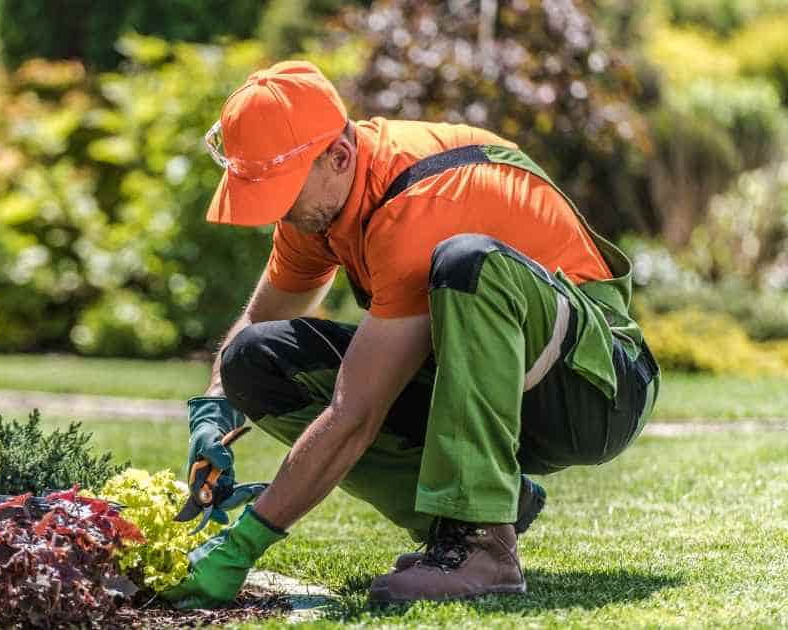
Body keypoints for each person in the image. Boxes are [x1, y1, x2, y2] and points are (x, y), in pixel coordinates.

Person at [160, 60, 660, 607]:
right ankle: (483, 513)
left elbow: (356, 413)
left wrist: (245, 543)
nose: (273, 215)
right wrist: (213, 410)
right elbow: (256, 325)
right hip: (499, 385)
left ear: (339, 156)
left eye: (280, 194)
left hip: (595, 390)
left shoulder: (419, 203)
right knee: (251, 360)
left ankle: (482, 543)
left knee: (469, 262)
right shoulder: (321, 208)